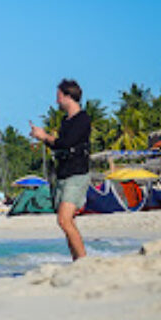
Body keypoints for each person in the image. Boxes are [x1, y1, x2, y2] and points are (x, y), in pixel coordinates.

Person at [30, 79, 92, 261]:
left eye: (58, 97)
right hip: (63, 174)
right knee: (67, 222)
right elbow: (59, 147)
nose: (56, 101)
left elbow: (67, 142)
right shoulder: (66, 121)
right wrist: (42, 138)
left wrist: (45, 136)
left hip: (77, 174)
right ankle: (76, 259)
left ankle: (83, 261)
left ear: (68, 96)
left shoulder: (82, 119)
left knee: (64, 220)